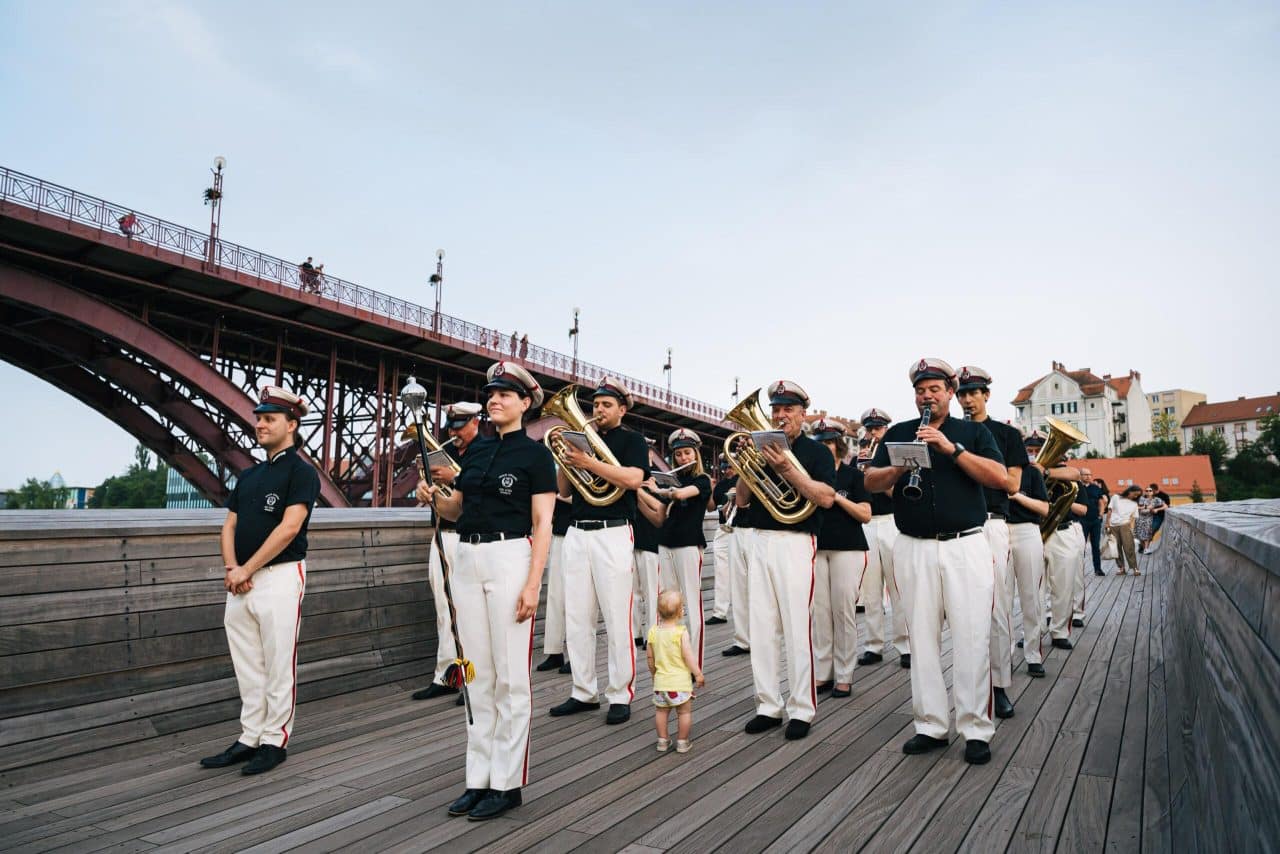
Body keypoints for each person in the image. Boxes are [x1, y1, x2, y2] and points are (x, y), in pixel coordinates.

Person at [422, 360, 555, 821]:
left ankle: (507, 781)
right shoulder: (474, 454)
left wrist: (534, 582)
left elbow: (542, 522)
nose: (493, 400)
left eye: (504, 394)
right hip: (467, 559)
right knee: (475, 672)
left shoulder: (536, 456)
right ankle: (477, 778)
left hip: (510, 557)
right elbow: (458, 510)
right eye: (490, 393)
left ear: (524, 403)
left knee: (511, 677)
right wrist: (435, 497)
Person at [864, 358, 1008, 766]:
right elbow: (870, 482)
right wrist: (898, 465)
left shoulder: (972, 432)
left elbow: (1001, 479)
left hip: (965, 545)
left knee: (972, 636)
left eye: (934, 389)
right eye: (920, 390)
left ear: (950, 392)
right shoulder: (898, 433)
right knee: (921, 639)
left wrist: (951, 449)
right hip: (914, 546)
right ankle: (929, 724)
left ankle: (976, 728)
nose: (927, 396)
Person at [200, 386, 320, 776]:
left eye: (269, 419)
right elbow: (229, 526)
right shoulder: (249, 475)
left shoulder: (302, 473)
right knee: (248, 663)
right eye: (259, 418)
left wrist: (245, 570)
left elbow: (289, 529)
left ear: (292, 424)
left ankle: (274, 739)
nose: (260, 424)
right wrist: (232, 568)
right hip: (242, 581)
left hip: (280, 577)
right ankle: (249, 735)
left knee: (278, 661)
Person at [736, 380, 836, 741]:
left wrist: (786, 469)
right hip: (760, 540)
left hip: (796, 541)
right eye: (776, 410)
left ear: (802, 414)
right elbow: (743, 501)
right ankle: (767, 704)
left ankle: (801, 709)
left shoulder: (817, 453)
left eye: (787, 410)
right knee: (761, 628)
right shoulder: (762, 448)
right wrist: (749, 467)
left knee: (796, 628)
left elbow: (824, 498)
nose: (780, 416)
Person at [551, 377, 650, 726]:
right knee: (576, 616)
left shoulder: (632, 440)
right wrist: (567, 460)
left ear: (622, 409)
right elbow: (563, 490)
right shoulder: (581, 439)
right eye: (595, 404)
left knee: (616, 616)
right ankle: (583, 691)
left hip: (613, 532)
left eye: (607, 405)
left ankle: (620, 694)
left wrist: (589, 463)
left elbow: (634, 480)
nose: (598, 410)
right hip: (578, 532)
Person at [955, 366, 1025, 720]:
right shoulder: (948, 432)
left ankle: (999, 686)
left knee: (996, 609)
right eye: (962, 394)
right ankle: (969, 688)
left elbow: (1012, 485)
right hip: (955, 528)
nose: (967, 399)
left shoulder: (1006, 435)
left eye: (973, 392)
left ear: (986, 395)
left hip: (990, 524)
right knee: (959, 611)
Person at [412, 402, 484, 702]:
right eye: (451, 427)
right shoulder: (445, 454)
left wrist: (454, 479)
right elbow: (429, 487)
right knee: (444, 610)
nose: (454, 433)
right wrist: (423, 487)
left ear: (476, 423)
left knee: (470, 613)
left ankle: (473, 680)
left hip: (471, 539)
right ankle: (446, 676)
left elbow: (481, 492)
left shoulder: (486, 452)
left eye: (460, 426)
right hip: (442, 535)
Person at [639, 429, 712, 668]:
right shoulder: (671, 481)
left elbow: (681, 493)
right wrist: (638, 490)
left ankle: (696, 665)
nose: (682, 458)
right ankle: (671, 660)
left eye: (687, 452)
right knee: (667, 606)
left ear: (696, 454)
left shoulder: (702, 480)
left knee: (692, 602)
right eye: (678, 454)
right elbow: (659, 516)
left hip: (689, 546)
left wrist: (661, 489)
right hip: (665, 545)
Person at [811, 419, 872, 698]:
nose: (824, 447)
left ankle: (845, 674)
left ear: (839, 445)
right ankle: (823, 673)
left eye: (828, 442)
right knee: (820, 614)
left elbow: (865, 515)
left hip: (848, 548)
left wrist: (836, 498)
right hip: (817, 547)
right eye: (820, 442)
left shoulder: (853, 476)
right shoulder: (810, 475)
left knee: (843, 611)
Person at [856, 408, 909, 669]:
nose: (872, 432)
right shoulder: (860, 457)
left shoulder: (892, 458)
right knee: (870, 590)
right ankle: (873, 645)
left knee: (897, 587)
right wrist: (861, 470)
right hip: (868, 523)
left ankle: (905, 644)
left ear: (886, 429)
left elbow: (897, 494)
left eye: (877, 428)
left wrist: (875, 474)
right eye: (869, 428)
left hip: (890, 522)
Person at [1007, 442, 1050, 674]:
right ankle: (1005, 657)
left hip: (1026, 530)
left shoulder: (1032, 472)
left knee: (1031, 596)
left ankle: (1033, 655)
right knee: (1001, 600)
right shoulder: (992, 469)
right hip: (1000, 530)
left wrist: (1016, 496)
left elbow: (1044, 508)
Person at [647, 590, 706, 754]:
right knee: (684, 712)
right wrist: (698, 674)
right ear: (681, 612)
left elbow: (650, 658)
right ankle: (682, 741)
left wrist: (654, 674)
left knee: (661, 712)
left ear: (658, 612)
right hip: (679, 684)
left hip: (661, 683)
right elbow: (688, 656)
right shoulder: (681, 632)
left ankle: (662, 740)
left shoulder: (653, 632)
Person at [535, 494, 574, 672]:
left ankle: (577, 657)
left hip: (577, 529)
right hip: (559, 530)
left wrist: (555, 495)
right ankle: (554, 651)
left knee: (574, 600)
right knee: (555, 595)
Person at [706, 460, 735, 627]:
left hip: (741, 528)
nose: (727, 470)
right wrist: (710, 490)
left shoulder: (742, 479)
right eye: (724, 467)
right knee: (721, 570)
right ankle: (720, 612)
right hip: (724, 528)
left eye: (730, 466)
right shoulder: (721, 485)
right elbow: (710, 508)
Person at [1106, 485, 1142, 575]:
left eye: (1138, 495)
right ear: (1130, 491)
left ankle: (1135, 568)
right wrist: (1107, 524)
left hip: (1125, 526)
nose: (1136, 496)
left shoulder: (1134, 504)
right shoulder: (1116, 497)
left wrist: (1132, 530)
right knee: (1116, 548)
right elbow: (1110, 511)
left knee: (1129, 547)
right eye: (1135, 494)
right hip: (1113, 526)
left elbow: (1133, 518)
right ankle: (1121, 568)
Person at [1078, 468, 1106, 577]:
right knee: (1081, 546)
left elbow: (1101, 502)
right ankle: (1079, 570)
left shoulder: (1095, 488)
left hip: (1095, 520)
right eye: (1085, 475)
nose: (1088, 476)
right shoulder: (1077, 487)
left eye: (1090, 474)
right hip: (1081, 520)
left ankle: (1098, 569)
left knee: (1095, 545)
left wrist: (1100, 515)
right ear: (1080, 476)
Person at [1137, 485, 1167, 554]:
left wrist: (1157, 509)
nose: (1148, 492)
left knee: (1150, 531)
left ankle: (1146, 548)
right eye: (1147, 491)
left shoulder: (1158, 498)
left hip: (1156, 517)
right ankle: (1142, 546)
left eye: (1150, 491)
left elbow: (1166, 506)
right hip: (1144, 517)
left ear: (1153, 491)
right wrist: (1146, 508)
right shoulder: (1143, 498)